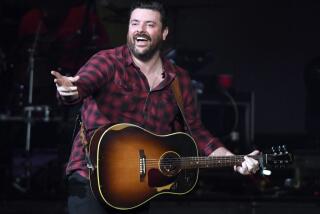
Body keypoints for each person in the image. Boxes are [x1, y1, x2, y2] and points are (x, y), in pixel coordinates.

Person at [51, 1, 260, 213]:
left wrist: (234, 160)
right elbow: (81, 85)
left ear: (164, 32)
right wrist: (70, 90)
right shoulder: (107, 61)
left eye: (149, 24)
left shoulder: (179, 80)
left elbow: (197, 132)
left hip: (138, 187)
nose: (140, 30)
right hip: (90, 179)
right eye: (135, 23)